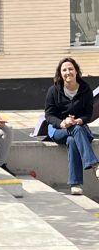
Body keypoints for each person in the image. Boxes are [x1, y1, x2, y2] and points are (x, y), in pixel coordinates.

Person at [44, 56, 98, 195]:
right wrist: (62, 123)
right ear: (60, 73)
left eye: (70, 69)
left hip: (78, 127)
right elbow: (49, 116)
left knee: (72, 139)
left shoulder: (85, 89)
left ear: (76, 71)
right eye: (64, 70)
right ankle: (94, 164)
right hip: (58, 129)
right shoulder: (53, 90)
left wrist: (78, 120)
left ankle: (75, 184)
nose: (68, 72)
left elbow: (88, 114)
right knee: (75, 130)